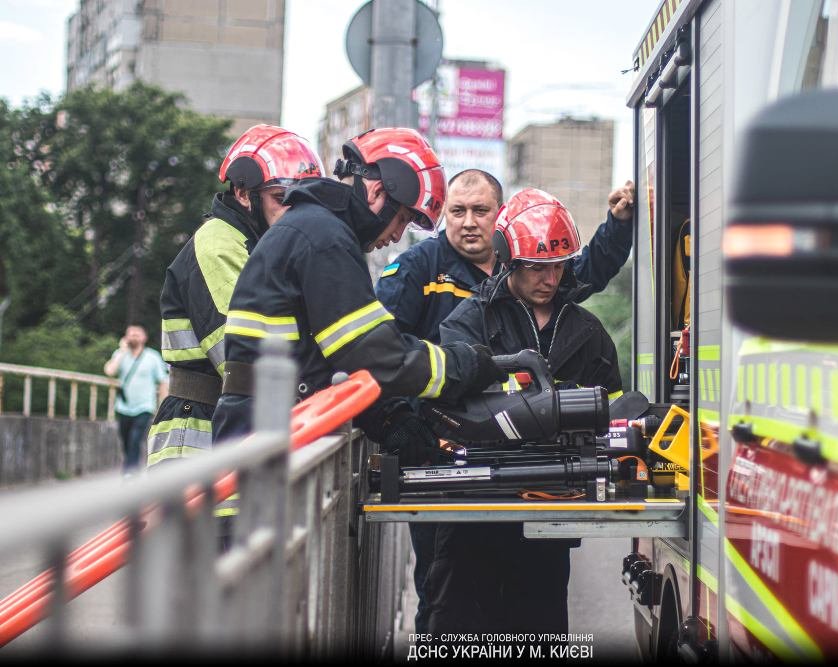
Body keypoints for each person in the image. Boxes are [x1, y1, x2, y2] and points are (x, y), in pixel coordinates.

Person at [374, 169, 634, 634]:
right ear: (511, 260)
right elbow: (385, 353)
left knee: (536, 627)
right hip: (468, 496)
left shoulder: (583, 330)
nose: (549, 278)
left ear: (497, 224)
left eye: (480, 211)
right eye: (458, 211)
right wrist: (397, 420)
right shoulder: (447, 298)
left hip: (549, 506)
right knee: (452, 617)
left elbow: (610, 409)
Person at [211, 127, 505, 452]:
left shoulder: (313, 228)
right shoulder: (324, 238)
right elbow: (374, 355)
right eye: (403, 219)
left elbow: (332, 359)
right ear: (378, 192)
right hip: (267, 435)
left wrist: (387, 416)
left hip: (266, 425)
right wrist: (461, 366)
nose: (396, 236)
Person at [147, 124, 324, 480]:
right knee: (216, 535)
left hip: (230, 429)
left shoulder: (259, 246)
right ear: (244, 194)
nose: (293, 211)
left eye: (301, 200)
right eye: (280, 198)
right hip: (197, 438)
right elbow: (242, 357)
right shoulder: (219, 244)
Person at [104, 324, 168, 473]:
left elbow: (163, 381)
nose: (133, 337)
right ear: (126, 337)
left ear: (144, 338)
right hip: (124, 406)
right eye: (130, 334)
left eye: (137, 334)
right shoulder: (120, 354)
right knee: (126, 440)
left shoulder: (152, 357)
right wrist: (121, 350)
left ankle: (129, 472)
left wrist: (163, 406)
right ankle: (132, 467)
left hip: (144, 406)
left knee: (135, 439)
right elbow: (110, 371)